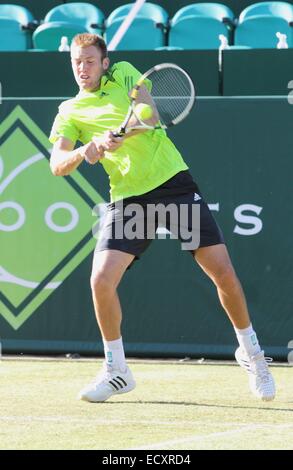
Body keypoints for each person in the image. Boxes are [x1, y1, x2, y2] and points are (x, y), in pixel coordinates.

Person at [49, 33, 275, 403]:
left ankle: (251, 353)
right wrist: (87, 149)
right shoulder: (69, 111)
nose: (82, 68)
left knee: (223, 273)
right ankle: (116, 369)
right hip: (128, 199)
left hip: (171, 184)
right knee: (100, 280)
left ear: (105, 63)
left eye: (90, 61)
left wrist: (122, 133)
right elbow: (58, 165)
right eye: (77, 62)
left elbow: (149, 113)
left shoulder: (124, 73)